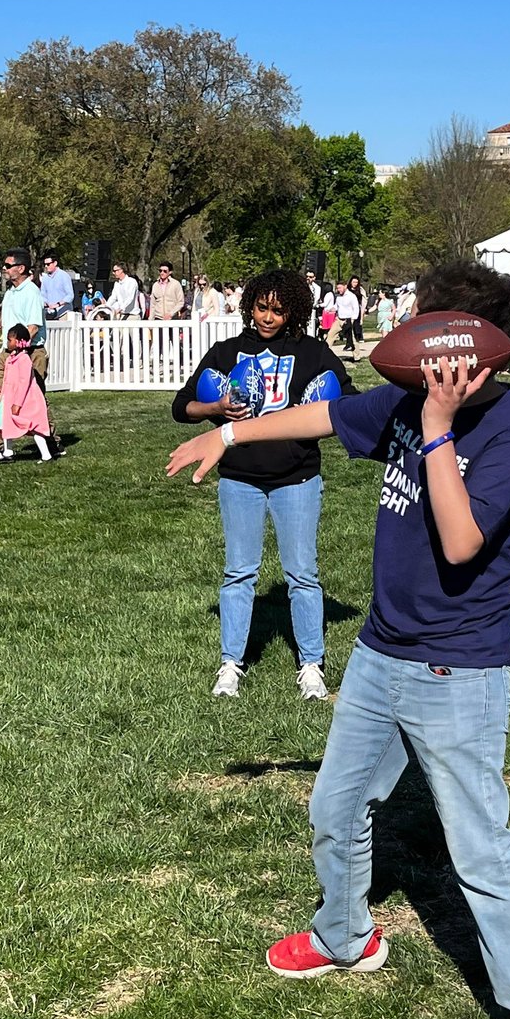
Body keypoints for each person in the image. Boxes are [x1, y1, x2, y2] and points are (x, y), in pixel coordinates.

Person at [168, 260, 510, 1019]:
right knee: (334, 802)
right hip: (379, 651)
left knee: (477, 840)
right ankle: (344, 934)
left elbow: (462, 540)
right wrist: (226, 433)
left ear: (476, 352)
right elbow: (321, 413)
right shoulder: (401, 399)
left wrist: (436, 427)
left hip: (457, 668)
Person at [171, 267, 356, 701]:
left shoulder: (312, 353)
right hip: (239, 479)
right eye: (261, 307)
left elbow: (346, 402)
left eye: (278, 309)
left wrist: (320, 407)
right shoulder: (226, 351)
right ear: (249, 305)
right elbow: (182, 407)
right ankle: (230, 664)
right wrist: (215, 405)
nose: (268, 317)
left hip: (298, 478)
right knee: (239, 573)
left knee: (302, 574)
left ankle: (311, 664)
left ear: (293, 310)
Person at [0, 248, 59, 458]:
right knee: (1, 396)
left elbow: (33, 327)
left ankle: (52, 442)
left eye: (8, 266)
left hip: (29, 353)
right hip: (8, 353)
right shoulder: (11, 292)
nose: (4, 269)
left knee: (36, 399)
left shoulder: (31, 292)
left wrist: (18, 350)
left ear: (21, 268)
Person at [0, 324, 55, 464]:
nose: (8, 343)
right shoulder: (10, 359)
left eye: (10, 340)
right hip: (9, 398)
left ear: (20, 342)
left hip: (26, 400)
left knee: (34, 427)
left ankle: (46, 455)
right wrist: (1, 389)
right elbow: (8, 378)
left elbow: (24, 383)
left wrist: (17, 404)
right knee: (5, 423)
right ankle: (8, 451)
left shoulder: (24, 360)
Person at [40, 252, 74, 322]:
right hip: (50, 313)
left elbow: (70, 295)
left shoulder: (64, 276)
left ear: (55, 263)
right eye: (45, 264)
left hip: (64, 313)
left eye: (48, 264)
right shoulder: (45, 278)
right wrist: (46, 303)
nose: (46, 266)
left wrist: (58, 304)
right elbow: (42, 294)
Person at [334, 280, 359, 354]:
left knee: (352, 339)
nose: (339, 290)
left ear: (345, 286)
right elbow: (336, 306)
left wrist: (353, 319)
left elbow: (356, 308)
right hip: (339, 319)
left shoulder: (351, 296)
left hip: (348, 319)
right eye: (337, 288)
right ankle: (325, 352)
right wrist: (330, 309)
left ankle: (356, 356)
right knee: (330, 335)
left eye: (340, 288)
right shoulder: (338, 297)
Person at [347, 276, 366, 345]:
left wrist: (363, 309)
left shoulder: (360, 289)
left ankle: (358, 336)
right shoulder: (347, 289)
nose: (355, 284)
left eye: (356, 282)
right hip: (349, 308)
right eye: (354, 282)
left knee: (357, 323)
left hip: (357, 308)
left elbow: (364, 300)